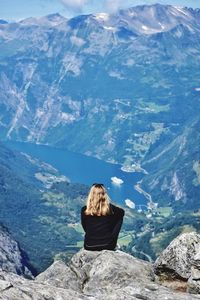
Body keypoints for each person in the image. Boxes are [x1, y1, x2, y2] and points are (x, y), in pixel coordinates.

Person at [81, 183, 125, 251]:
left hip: (89, 245)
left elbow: (85, 227)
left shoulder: (85, 210)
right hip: (107, 245)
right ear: (104, 195)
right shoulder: (110, 209)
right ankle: (112, 240)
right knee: (119, 217)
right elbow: (122, 212)